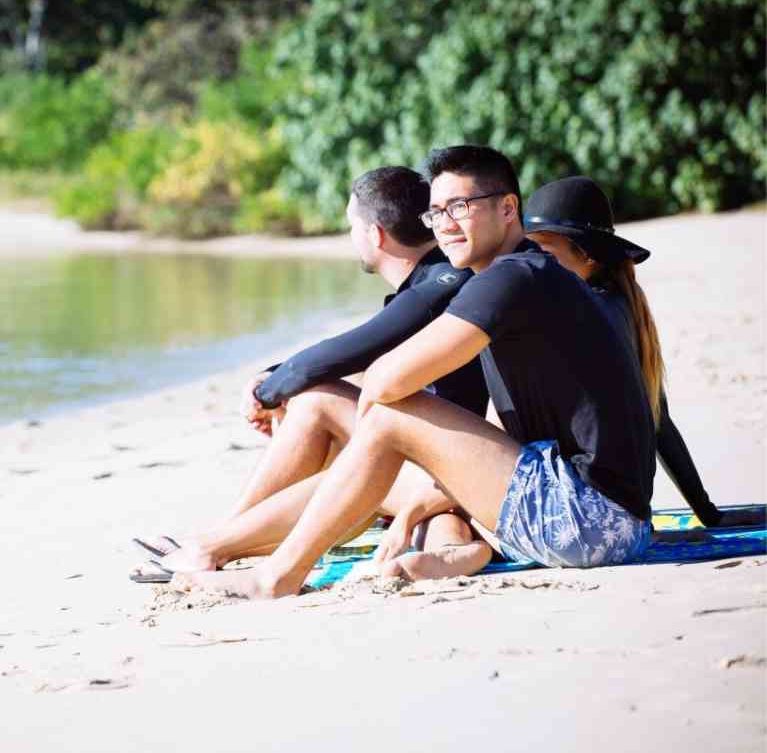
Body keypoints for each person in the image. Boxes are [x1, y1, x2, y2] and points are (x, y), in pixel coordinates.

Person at [172, 145, 658, 599]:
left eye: (460, 207)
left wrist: (369, 445)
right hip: (607, 520)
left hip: (591, 523)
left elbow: (386, 381)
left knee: (388, 417)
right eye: (436, 212)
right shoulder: (520, 276)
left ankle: (276, 575)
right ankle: (237, 550)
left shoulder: (513, 278)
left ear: (508, 208)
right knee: (386, 425)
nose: (444, 224)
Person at [130, 165, 492, 584]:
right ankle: (219, 539)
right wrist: (282, 383)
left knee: (316, 396)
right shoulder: (432, 281)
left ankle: (214, 543)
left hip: (454, 466)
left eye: (351, 226)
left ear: (374, 234)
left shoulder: (442, 281)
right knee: (313, 397)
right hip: (437, 454)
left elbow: (357, 346)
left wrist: (270, 387)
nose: (351, 237)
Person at [523, 176, 766, 529]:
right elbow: (659, 422)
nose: (530, 265)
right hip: (625, 510)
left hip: (589, 515)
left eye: (543, 253)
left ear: (588, 256)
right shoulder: (620, 305)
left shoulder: (586, 316)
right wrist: (706, 510)